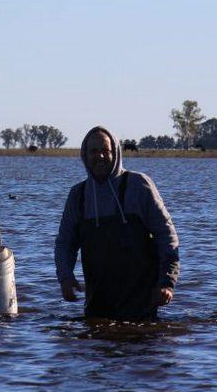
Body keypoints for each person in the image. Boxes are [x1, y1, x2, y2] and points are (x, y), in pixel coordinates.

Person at [54, 126, 180, 321]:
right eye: (94, 151)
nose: (100, 156)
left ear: (115, 152)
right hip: (97, 306)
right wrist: (65, 277)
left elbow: (167, 237)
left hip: (141, 305)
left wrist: (167, 282)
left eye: (105, 150)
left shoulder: (139, 185)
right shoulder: (78, 195)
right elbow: (65, 243)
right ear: (85, 155)